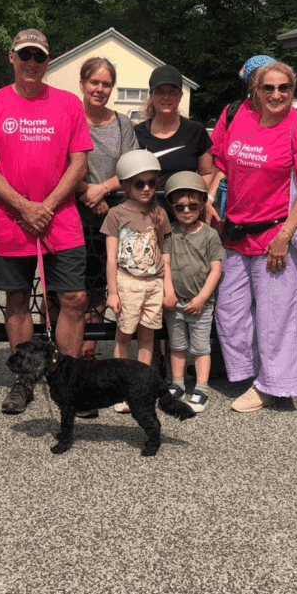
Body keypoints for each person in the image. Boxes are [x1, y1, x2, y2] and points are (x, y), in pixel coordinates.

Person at [0, 28, 92, 415]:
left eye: (38, 57)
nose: (31, 63)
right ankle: (24, 381)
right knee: (18, 300)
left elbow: (79, 162)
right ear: (11, 57)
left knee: (73, 299)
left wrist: (48, 204)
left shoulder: (69, 104)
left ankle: (70, 381)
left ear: (48, 61)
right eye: (24, 54)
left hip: (62, 218)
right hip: (11, 220)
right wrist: (24, 206)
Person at [209, 58, 297, 411]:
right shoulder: (240, 117)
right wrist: (212, 196)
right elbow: (221, 164)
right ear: (255, 90)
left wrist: (285, 234)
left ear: (293, 89)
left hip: (274, 237)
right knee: (228, 313)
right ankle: (263, 371)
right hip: (234, 235)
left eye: (284, 88)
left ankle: (271, 385)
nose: (276, 94)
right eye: (268, 87)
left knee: (275, 318)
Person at [75, 57, 138, 353]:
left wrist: (101, 190)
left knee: (100, 285)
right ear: (83, 84)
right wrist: (87, 192)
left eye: (106, 83)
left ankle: (89, 348)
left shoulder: (123, 124)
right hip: (74, 211)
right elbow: (61, 163)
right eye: (94, 82)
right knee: (70, 289)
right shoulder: (71, 117)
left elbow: (132, 167)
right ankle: (65, 350)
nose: (100, 89)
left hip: (113, 213)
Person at [101, 150, 170, 413]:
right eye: (139, 183)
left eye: (152, 183)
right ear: (126, 185)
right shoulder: (116, 214)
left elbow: (163, 250)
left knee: (147, 336)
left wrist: (165, 285)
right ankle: (120, 388)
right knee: (123, 335)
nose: (147, 188)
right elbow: (110, 258)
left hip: (153, 282)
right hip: (127, 281)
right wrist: (113, 292)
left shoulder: (160, 214)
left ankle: (140, 387)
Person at [162, 171, 224, 413]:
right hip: (175, 302)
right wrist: (168, 293)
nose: (186, 211)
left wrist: (201, 298)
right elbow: (165, 264)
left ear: (202, 203)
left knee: (200, 348)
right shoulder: (169, 233)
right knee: (176, 345)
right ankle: (177, 384)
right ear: (171, 208)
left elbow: (216, 270)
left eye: (192, 205)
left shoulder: (210, 235)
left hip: (201, 303)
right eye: (179, 207)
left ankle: (201, 387)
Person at [134, 64, 213, 188]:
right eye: (160, 92)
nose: (166, 97)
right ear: (151, 94)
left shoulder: (196, 131)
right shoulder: (136, 133)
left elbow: (207, 173)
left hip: (182, 207)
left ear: (180, 95)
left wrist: (193, 198)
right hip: (145, 207)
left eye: (172, 92)